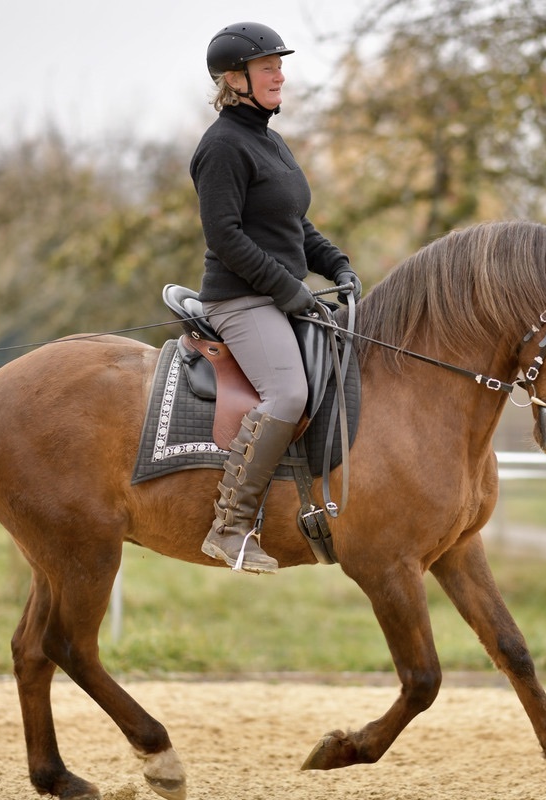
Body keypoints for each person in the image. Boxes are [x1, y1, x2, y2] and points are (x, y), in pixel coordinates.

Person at [191, 22, 362, 574]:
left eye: (279, 66)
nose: (279, 75)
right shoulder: (220, 147)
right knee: (287, 393)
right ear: (234, 79)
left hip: (276, 297)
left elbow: (292, 224)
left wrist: (335, 262)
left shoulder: (269, 139)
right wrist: (290, 289)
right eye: (267, 67)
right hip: (240, 301)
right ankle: (232, 526)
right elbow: (226, 237)